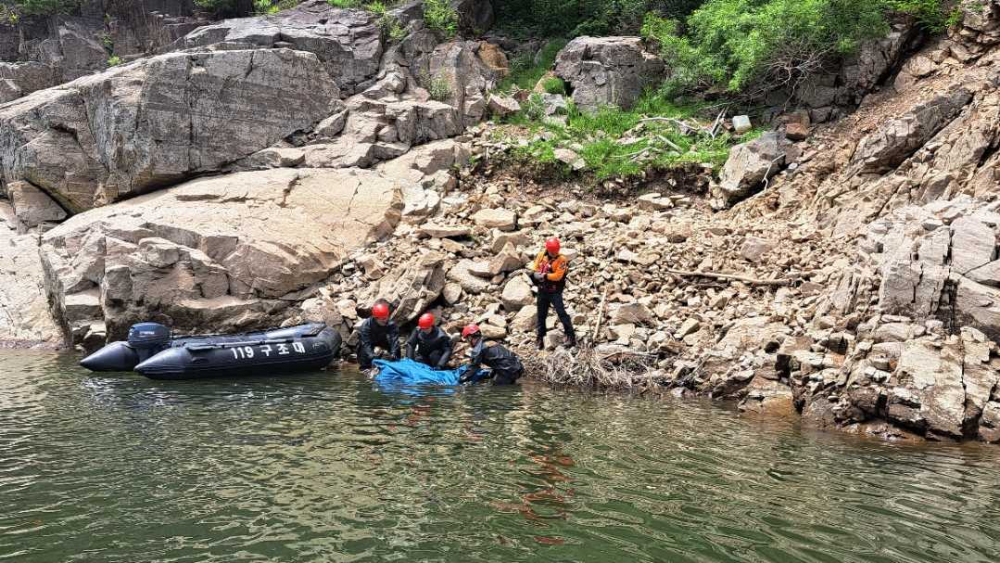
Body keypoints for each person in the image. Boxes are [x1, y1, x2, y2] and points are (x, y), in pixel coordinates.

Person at [531, 237, 576, 350]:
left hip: (555, 291)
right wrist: (536, 274)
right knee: (541, 314)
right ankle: (540, 337)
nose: (554, 253)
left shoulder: (561, 260)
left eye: (555, 251)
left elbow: (558, 276)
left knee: (561, 313)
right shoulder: (541, 255)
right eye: (552, 252)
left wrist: (545, 275)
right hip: (542, 290)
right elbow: (535, 267)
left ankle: (570, 335)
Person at [458, 324, 524, 385]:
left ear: (470, 338)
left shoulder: (477, 350)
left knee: (496, 390)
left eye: (467, 339)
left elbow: (473, 368)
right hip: (519, 367)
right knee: (494, 375)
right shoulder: (489, 341)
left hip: (508, 371)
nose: (467, 342)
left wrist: (461, 379)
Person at [356, 299, 400, 370]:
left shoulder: (390, 324)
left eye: (386, 318)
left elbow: (394, 340)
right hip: (369, 341)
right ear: (375, 318)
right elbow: (366, 343)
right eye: (382, 319)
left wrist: (393, 353)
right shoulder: (366, 325)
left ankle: (397, 364)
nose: (385, 321)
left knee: (396, 349)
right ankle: (365, 368)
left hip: (382, 339)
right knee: (364, 355)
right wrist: (371, 355)